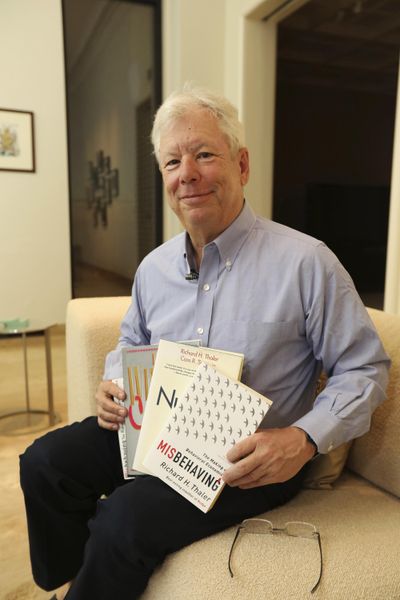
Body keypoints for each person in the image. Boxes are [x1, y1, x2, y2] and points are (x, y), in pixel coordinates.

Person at [20, 85, 390, 600]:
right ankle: (67, 583)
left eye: (204, 154)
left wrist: (302, 439)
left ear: (242, 164)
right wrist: (112, 379)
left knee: (123, 519)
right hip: (156, 430)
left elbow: (365, 369)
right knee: (44, 463)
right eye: (172, 162)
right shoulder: (154, 268)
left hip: (249, 461)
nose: (186, 173)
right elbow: (132, 340)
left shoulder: (307, 263)